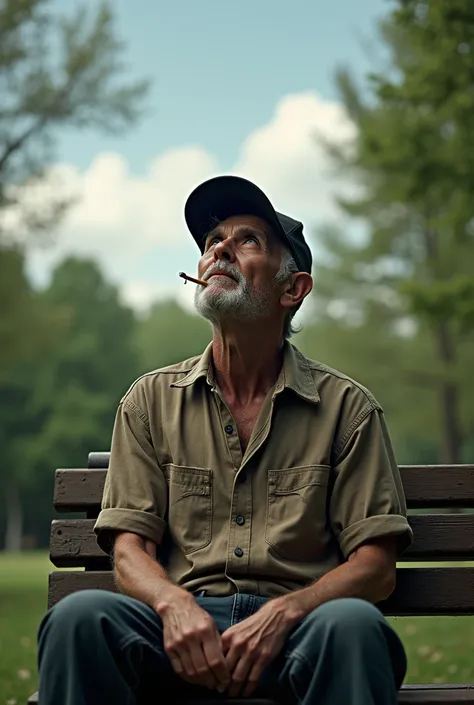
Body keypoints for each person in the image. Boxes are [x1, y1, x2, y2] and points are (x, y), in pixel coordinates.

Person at [37, 175, 414, 705]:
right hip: (177, 631)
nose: (220, 249)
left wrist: (286, 613)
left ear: (293, 289)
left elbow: (374, 568)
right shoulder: (149, 401)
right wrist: (172, 605)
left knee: (352, 627)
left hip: (300, 632)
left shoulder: (348, 410)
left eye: (248, 240)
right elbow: (129, 550)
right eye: (214, 239)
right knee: (80, 618)